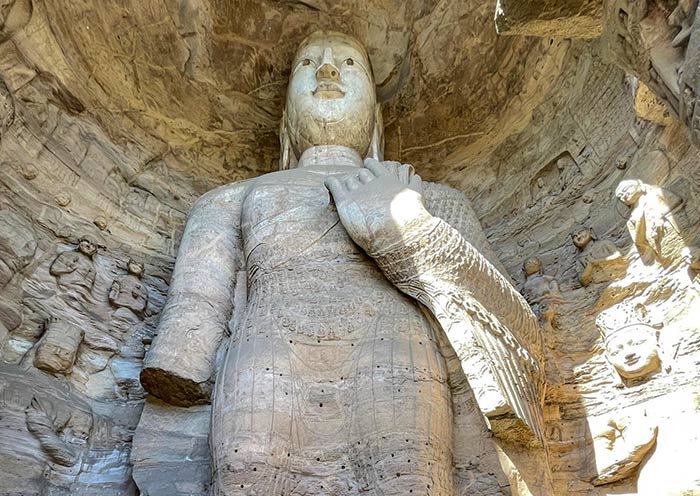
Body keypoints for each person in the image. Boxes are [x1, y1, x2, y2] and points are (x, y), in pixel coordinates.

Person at [141, 31, 542, 495]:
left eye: (349, 63)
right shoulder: (229, 199)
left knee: (409, 481)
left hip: (396, 357)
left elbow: (508, 324)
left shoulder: (429, 198)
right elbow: (187, 340)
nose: (327, 70)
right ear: (287, 115)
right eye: (308, 63)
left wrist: (403, 227)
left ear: (375, 114)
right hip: (265, 361)